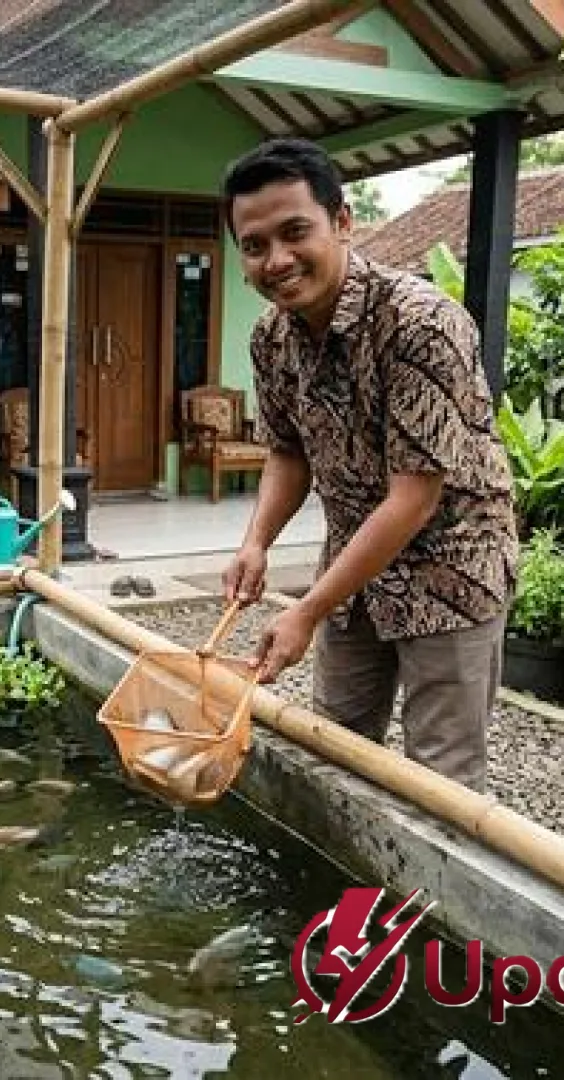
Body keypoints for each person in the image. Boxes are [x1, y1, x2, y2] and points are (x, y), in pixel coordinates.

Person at [217, 137, 518, 792]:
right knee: (337, 747)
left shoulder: (422, 324)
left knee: (440, 781)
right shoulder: (271, 336)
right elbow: (288, 450)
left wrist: (306, 610)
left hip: (452, 570)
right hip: (353, 568)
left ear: (343, 222)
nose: (277, 259)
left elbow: (414, 498)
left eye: (295, 232)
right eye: (255, 244)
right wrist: (256, 542)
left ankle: (432, 867)